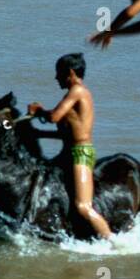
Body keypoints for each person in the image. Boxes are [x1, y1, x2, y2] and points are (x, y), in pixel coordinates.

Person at [27, 53, 113, 241]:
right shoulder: (73, 95)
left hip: (80, 154)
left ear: (71, 73)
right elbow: (65, 134)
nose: (56, 78)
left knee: (83, 206)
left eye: (59, 73)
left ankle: (114, 244)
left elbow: (54, 117)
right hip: (67, 152)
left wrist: (38, 111)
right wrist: (37, 134)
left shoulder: (77, 91)